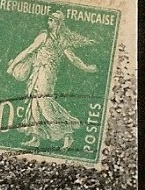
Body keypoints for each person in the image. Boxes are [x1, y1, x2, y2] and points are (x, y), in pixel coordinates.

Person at [6, 10, 97, 150]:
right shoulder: (44, 36)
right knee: (34, 103)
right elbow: (29, 50)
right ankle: (36, 137)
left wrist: (86, 68)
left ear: (58, 23)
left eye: (51, 20)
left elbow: (72, 58)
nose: (49, 22)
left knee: (44, 104)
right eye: (48, 20)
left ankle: (67, 133)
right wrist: (13, 65)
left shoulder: (61, 40)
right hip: (37, 73)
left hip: (47, 75)